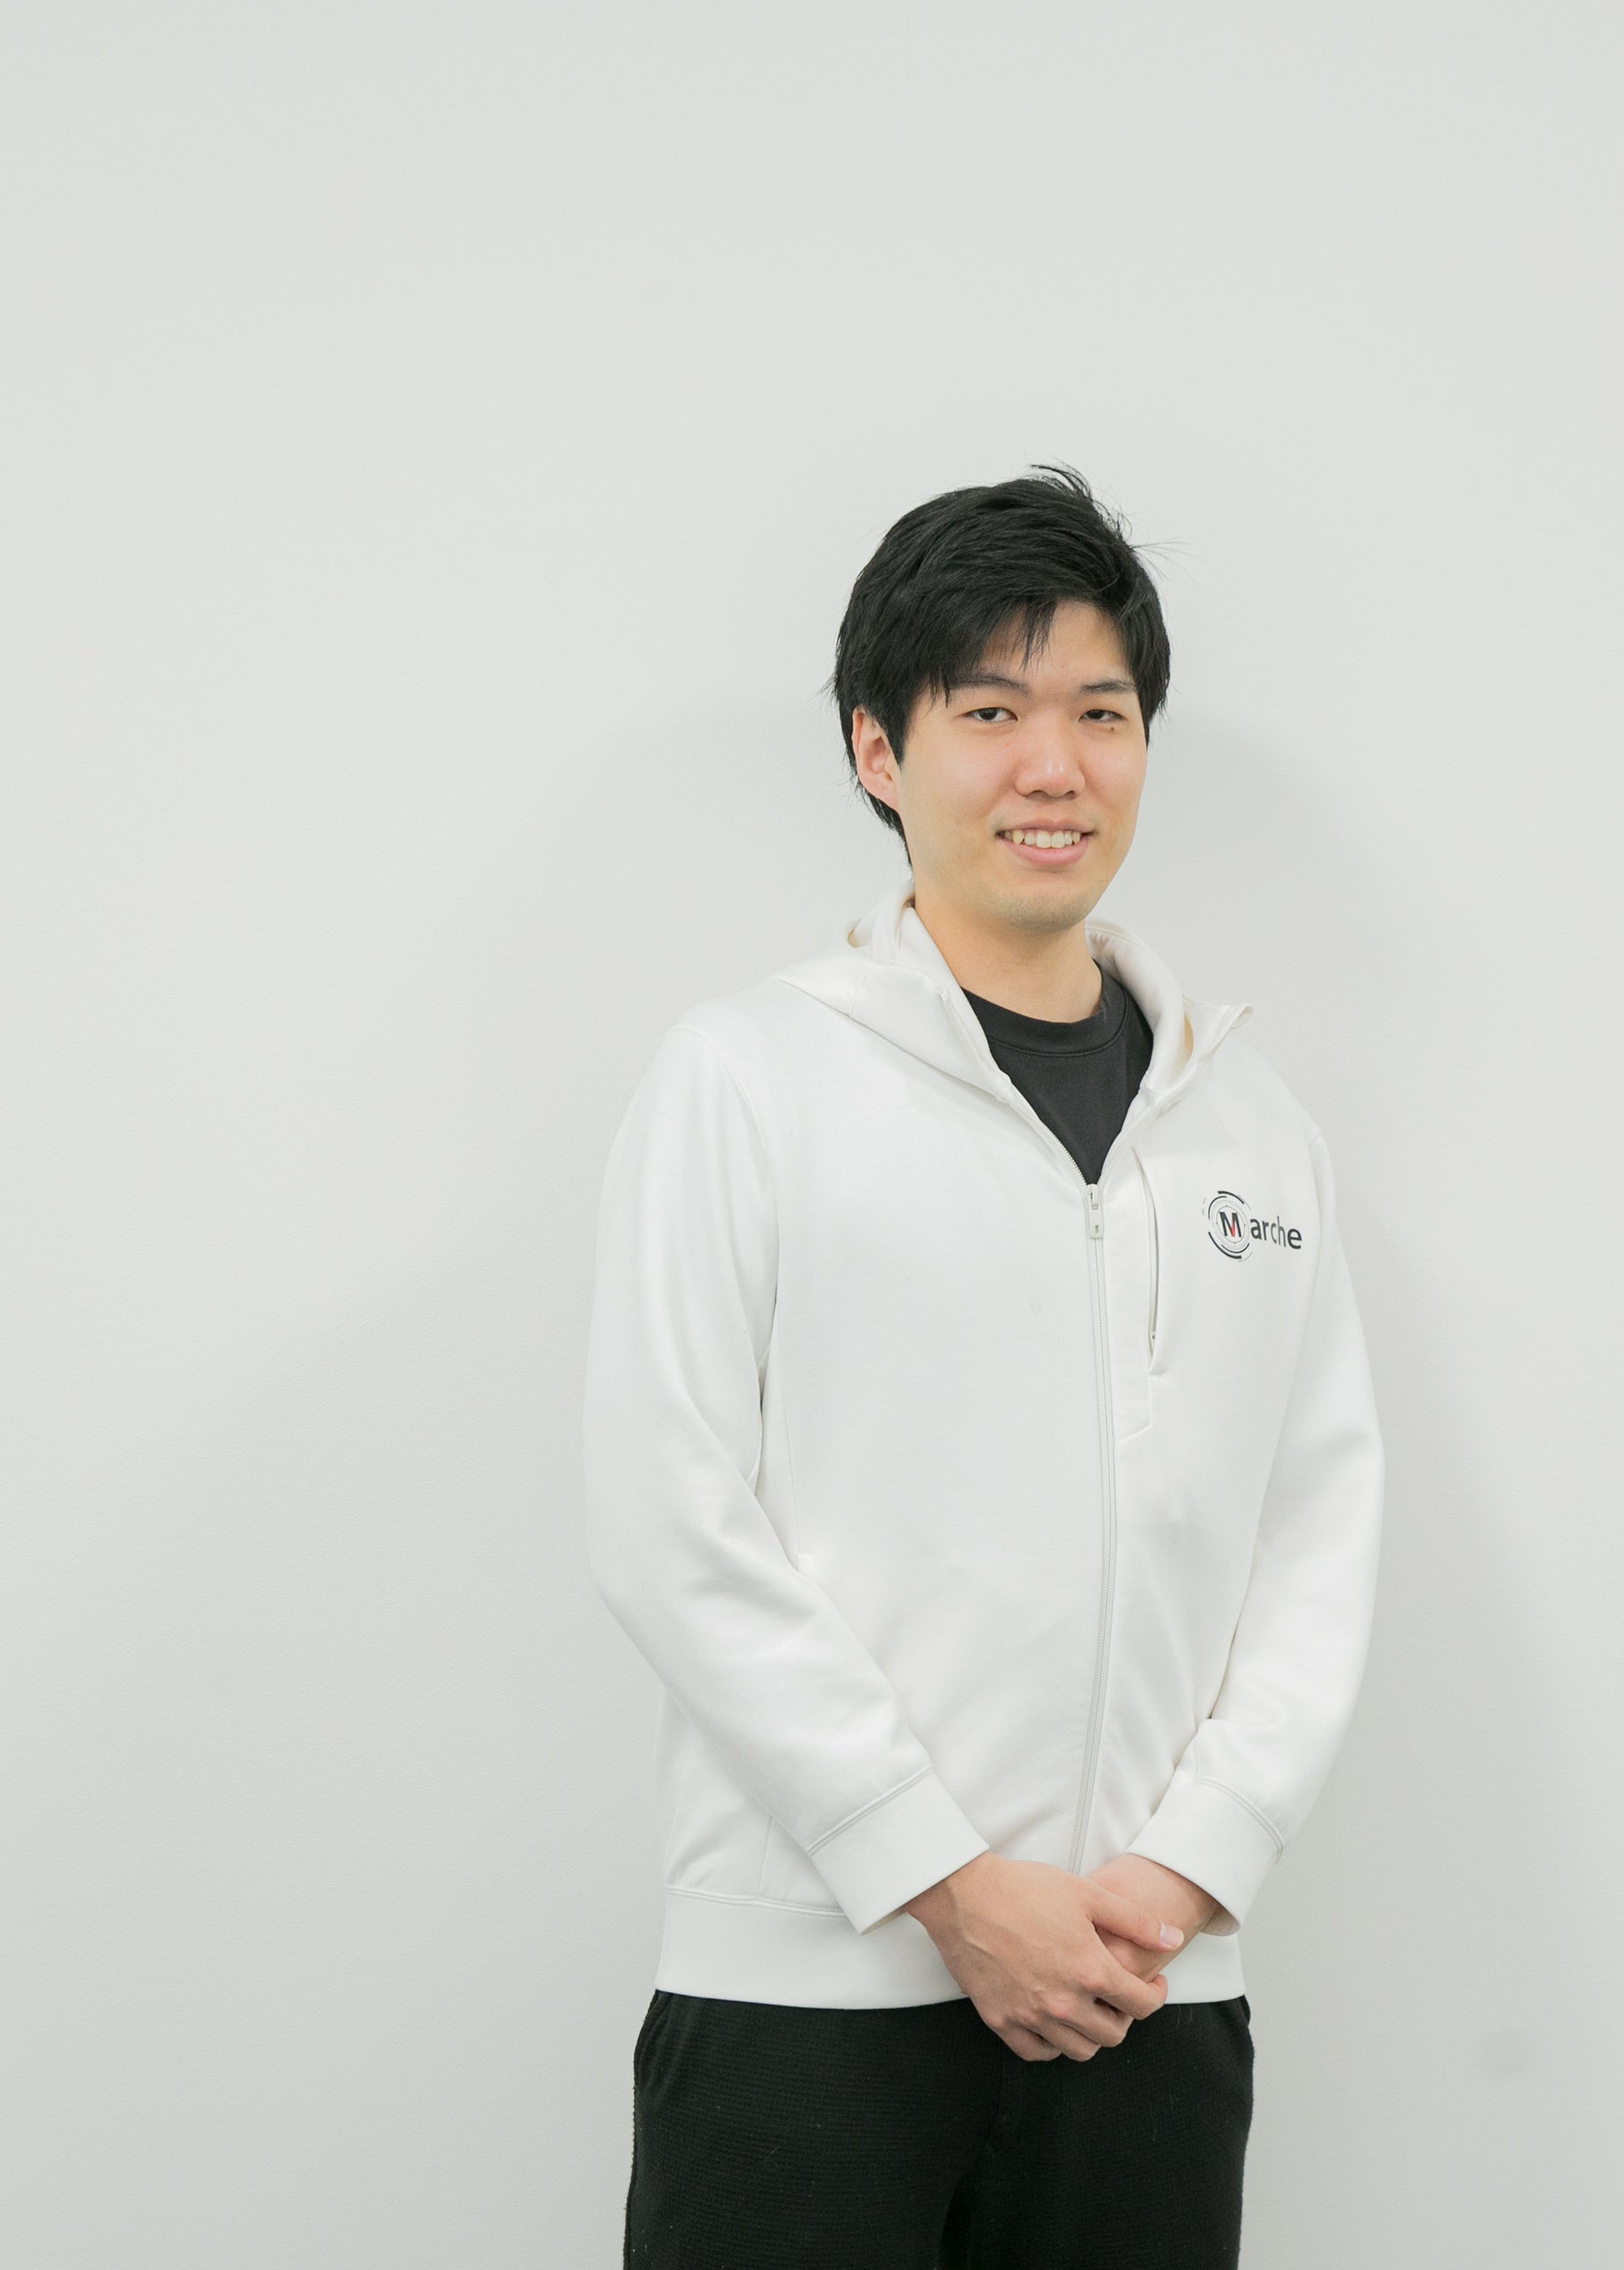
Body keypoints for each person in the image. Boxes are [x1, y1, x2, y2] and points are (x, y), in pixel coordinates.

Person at [583, 466, 1385, 2267]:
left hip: (1146, 1997)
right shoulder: (750, 1079)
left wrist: (1194, 1864)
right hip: (809, 2004)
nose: (1055, 767)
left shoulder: (1252, 1131)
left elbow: (1318, 1531)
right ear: (880, 752)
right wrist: (939, 1877)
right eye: (991, 712)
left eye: (1102, 713)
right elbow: (669, 1511)